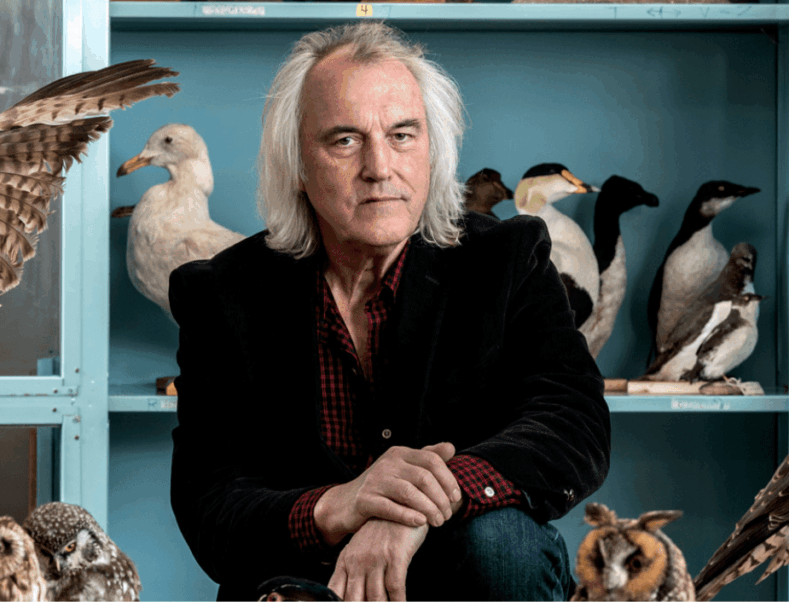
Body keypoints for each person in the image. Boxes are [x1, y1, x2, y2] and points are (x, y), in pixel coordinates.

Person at [168, 21, 610, 601]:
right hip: (308, 572)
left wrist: (408, 510)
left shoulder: (506, 259)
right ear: (296, 163)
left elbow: (572, 425)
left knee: (503, 545)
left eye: (402, 135)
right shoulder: (223, 293)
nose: (380, 167)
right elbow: (210, 502)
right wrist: (340, 506)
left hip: (469, 562)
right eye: (344, 140)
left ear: (433, 150)